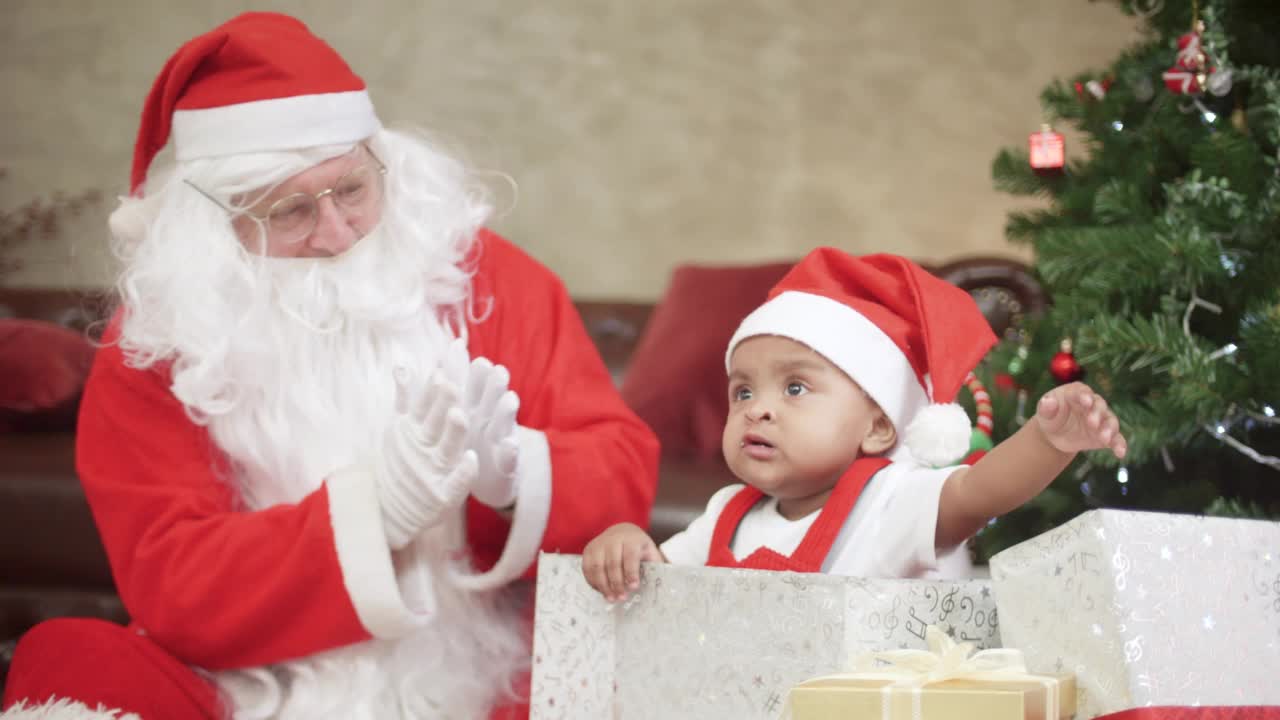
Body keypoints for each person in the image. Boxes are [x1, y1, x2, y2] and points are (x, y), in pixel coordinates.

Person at [1, 12, 659, 720]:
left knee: (632, 673)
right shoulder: (160, 339)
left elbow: (620, 470)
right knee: (67, 659)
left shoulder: (486, 278)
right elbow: (172, 583)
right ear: (215, 225)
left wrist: (517, 478)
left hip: (486, 667)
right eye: (291, 212)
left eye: (352, 190)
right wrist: (373, 515)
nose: (338, 233)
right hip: (240, 683)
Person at [582, 248, 1126, 602]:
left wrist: (1049, 440)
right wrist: (628, 544)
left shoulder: (891, 502)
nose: (757, 408)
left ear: (877, 429)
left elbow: (981, 492)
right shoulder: (727, 514)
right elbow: (660, 580)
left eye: (795, 388)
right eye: (742, 391)